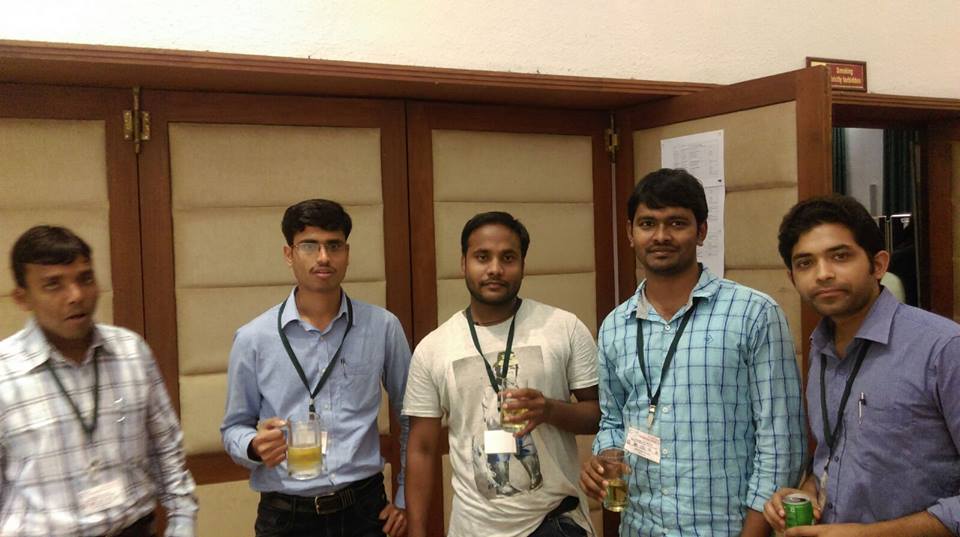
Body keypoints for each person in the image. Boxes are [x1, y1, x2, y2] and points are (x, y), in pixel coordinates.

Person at [580, 168, 806, 537]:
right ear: (630, 232)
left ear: (701, 231)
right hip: (640, 527)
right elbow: (613, 421)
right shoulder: (615, 326)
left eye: (677, 223)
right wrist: (604, 458)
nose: (661, 236)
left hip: (726, 529)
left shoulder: (753, 314)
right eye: (648, 224)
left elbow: (781, 442)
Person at [763, 194, 960, 537]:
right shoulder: (820, 348)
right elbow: (834, 457)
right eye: (805, 263)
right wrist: (807, 492)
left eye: (840, 256)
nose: (823, 274)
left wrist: (867, 534)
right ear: (793, 278)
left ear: (878, 265)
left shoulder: (942, 348)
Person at [221, 199, 410, 537]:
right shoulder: (253, 338)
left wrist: (405, 496)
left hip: (365, 509)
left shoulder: (382, 327)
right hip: (286, 516)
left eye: (334, 246)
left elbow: (411, 417)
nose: (323, 257)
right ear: (289, 254)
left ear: (346, 253)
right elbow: (234, 427)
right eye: (309, 245)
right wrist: (253, 446)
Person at [403, 211, 600, 537]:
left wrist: (549, 410)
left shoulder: (563, 327)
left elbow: (598, 414)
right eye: (482, 257)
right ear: (463, 263)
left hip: (553, 522)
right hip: (472, 528)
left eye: (508, 258)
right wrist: (417, 531)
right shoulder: (434, 348)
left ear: (523, 265)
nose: (495, 269)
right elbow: (421, 448)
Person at [0, 225, 198, 536]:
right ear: (22, 298)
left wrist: (182, 522)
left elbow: (166, 449)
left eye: (85, 279)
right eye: (53, 285)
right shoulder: (5, 373)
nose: (76, 296)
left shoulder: (131, 352)